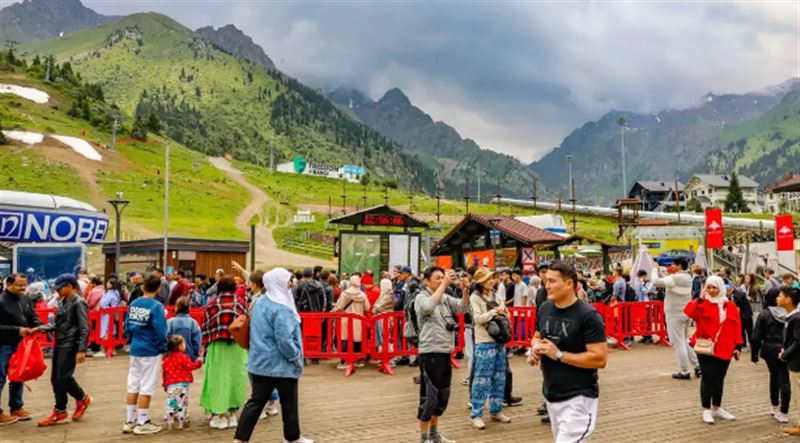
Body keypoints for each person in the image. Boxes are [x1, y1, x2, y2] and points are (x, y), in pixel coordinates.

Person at [528, 262, 608, 442]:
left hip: (579, 397)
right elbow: (537, 336)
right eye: (545, 281)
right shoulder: (545, 308)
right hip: (551, 393)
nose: (546, 285)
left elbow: (600, 359)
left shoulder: (588, 315)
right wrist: (535, 348)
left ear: (569, 284)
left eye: (551, 281)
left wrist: (559, 354)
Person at [234, 268, 313, 443]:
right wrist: (294, 356)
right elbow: (284, 339)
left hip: (260, 362)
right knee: (289, 403)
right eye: (288, 281)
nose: (290, 284)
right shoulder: (283, 308)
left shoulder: (259, 302)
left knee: (255, 402)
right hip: (282, 365)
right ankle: (292, 437)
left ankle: (240, 439)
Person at [415, 267, 470, 443]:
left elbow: (463, 308)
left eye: (442, 278)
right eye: (437, 278)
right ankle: (424, 439)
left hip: (445, 351)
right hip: (430, 352)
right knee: (429, 397)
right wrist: (445, 284)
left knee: (441, 396)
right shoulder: (421, 297)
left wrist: (465, 291)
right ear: (426, 281)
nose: (441, 281)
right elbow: (427, 308)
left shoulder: (445, 298)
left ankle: (434, 434)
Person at [684, 276, 743, 424]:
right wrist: (699, 299)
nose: (711, 290)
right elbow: (689, 312)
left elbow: (736, 326)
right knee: (708, 378)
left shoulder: (729, 305)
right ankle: (706, 409)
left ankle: (717, 407)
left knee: (719, 378)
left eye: (714, 287)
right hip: (706, 346)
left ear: (721, 288)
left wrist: (738, 346)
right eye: (709, 287)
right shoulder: (702, 304)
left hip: (725, 346)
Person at [36, 274, 92, 427]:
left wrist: (81, 349)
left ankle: (82, 398)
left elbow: (84, 327)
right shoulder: (62, 301)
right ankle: (60, 410)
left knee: (64, 377)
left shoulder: (79, 302)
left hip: (71, 344)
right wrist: (38, 329)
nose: (57, 291)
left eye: (60, 288)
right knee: (55, 379)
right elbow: (58, 325)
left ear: (69, 286)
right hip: (60, 343)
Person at [200, 277, 248, 429]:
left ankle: (218, 415)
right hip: (237, 347)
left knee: (218, 378)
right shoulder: (241, 303)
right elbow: (247, 323)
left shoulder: (212, 304)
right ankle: (232, 414)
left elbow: (205, 326)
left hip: (217, 346)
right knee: (236, 378)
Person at [122, 275, 168, 435]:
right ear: (158, 289)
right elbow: (161, 330)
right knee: (146, 386)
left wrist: (129, 339)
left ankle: (129, 420)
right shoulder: (156, 306)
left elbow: (127, 324)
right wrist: (163, 347)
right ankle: (143, 421)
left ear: (143, 287)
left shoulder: (134, 303)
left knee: (133, 384)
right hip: (151, 349)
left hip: (135, 347)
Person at [468, 267, 511, 429]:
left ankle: (496, 410)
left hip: (499, 339)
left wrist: (502, 311)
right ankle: (476, 413)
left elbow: (504, 311)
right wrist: (495, 311)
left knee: (499, 376)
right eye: (488, 279)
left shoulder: (496, 294)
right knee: (481, 378)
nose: (491, 281)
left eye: (492, 278)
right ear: (480, 282)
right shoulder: (475, 297)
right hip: (484, 341)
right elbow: (477, 318)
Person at [0, 273, 41, 424]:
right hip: (3, 344)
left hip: (22, 345)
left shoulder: (25, 299)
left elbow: (32, 317)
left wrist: (38, 326)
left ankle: (16, 407)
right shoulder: (1, 301)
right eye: (19, 285)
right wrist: (17, 330)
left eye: (25, 285)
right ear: (8, 284)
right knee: (0, 377)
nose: (23, 288)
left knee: (19, 375)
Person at [652, 257, 700, 380]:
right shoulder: (688, 277)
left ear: (679, 266)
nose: (671, 266)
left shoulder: (676, 278)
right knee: (685, 341)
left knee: (678, 343)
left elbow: (656, 282)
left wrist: (654, 269)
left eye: (673, 264)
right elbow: (667, 281)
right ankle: (697, 366)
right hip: (686, 313)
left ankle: (684, 371)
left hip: (674, 314)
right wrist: (662, 272)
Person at [751, 288, 791, 424]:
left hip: (769, 349)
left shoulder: (764, 314)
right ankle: (783, 410)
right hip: (787, 349)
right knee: (784, 378)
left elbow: (756, 337)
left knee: (775, 377)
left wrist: (754, 354)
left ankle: (776, 407)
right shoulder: (789, 313)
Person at [162, 335, 203, 430]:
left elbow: (165, 373)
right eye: (184, 343)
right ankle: (181, 423)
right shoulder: (183, 357)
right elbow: (191, 366)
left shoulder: (166, 359)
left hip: (171, 385)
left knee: (171, 403)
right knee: (181, 404)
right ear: (180, 346)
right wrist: (200, 360)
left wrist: (165, 384)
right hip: (182, 385)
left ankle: (170, 422)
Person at [331, 276, 371, 369]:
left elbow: (339, 306)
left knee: (345, 338)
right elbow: (367, 308)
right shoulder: (362, 294)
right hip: (359, 319)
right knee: (357, 339)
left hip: (346, 318)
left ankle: (345, 360)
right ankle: (358, 360)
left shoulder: (345, 293)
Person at [778, 286, 800, 436]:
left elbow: (798, 342)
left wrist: (785, 354)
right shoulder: (792, 317)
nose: (777, 298)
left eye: (780, 296)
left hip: (797, 363)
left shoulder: (796, 318)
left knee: (798, 394)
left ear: (788, 299)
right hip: (794, 360)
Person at [167, 297, 202, 361]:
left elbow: (165, 339)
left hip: (171, 359)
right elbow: (197, 343)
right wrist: (194, 356)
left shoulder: (170, 322)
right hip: (188, 358)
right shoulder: (193, 323)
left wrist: (166, 354)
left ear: (176, 308)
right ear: (189, 308)